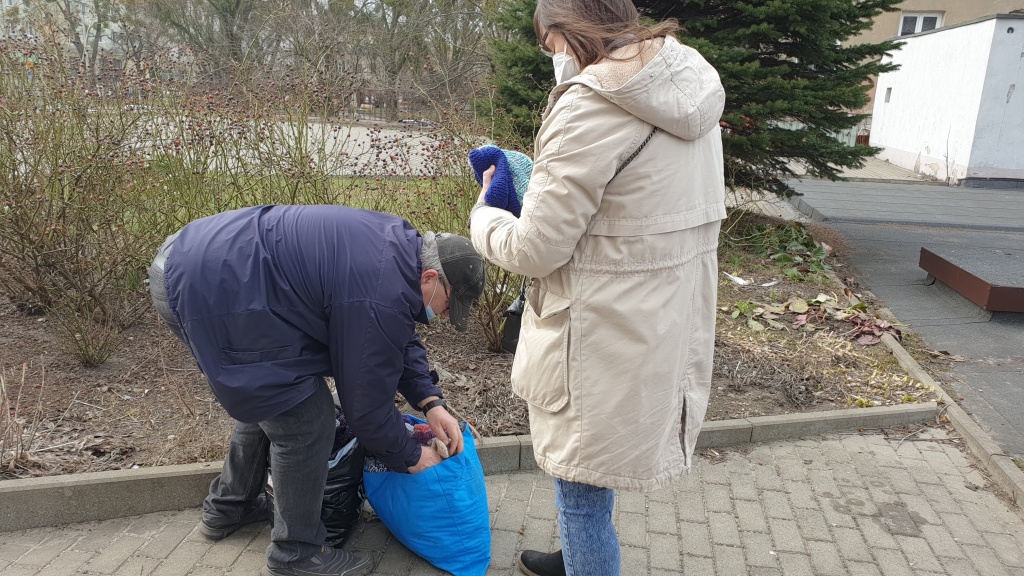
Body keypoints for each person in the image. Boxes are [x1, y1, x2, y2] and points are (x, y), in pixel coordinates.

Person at [468, 0, 727, 574]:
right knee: (591, 469)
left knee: (579, 488)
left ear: (566, 32)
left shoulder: (589, 106)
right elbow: (632, 205)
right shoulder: (688, 83)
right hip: (661, 319)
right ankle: (575, 556)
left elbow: (534, 250)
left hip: (598, 331)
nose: (552, 58)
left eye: (549, 44)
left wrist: (486, 210)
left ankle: (585, 558)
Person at [148, 204, 486, 576]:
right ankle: (296, 555)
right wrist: (410, 456)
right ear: (431, 278)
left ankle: (230, 506)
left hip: (200, 266)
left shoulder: (397, 251)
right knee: (305, 421)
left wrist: (431, 401)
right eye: (447, 303)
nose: (441, 314)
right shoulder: (378, 289)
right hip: (206, 287)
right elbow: (366, 405)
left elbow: (396, 332)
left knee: (270, 395)